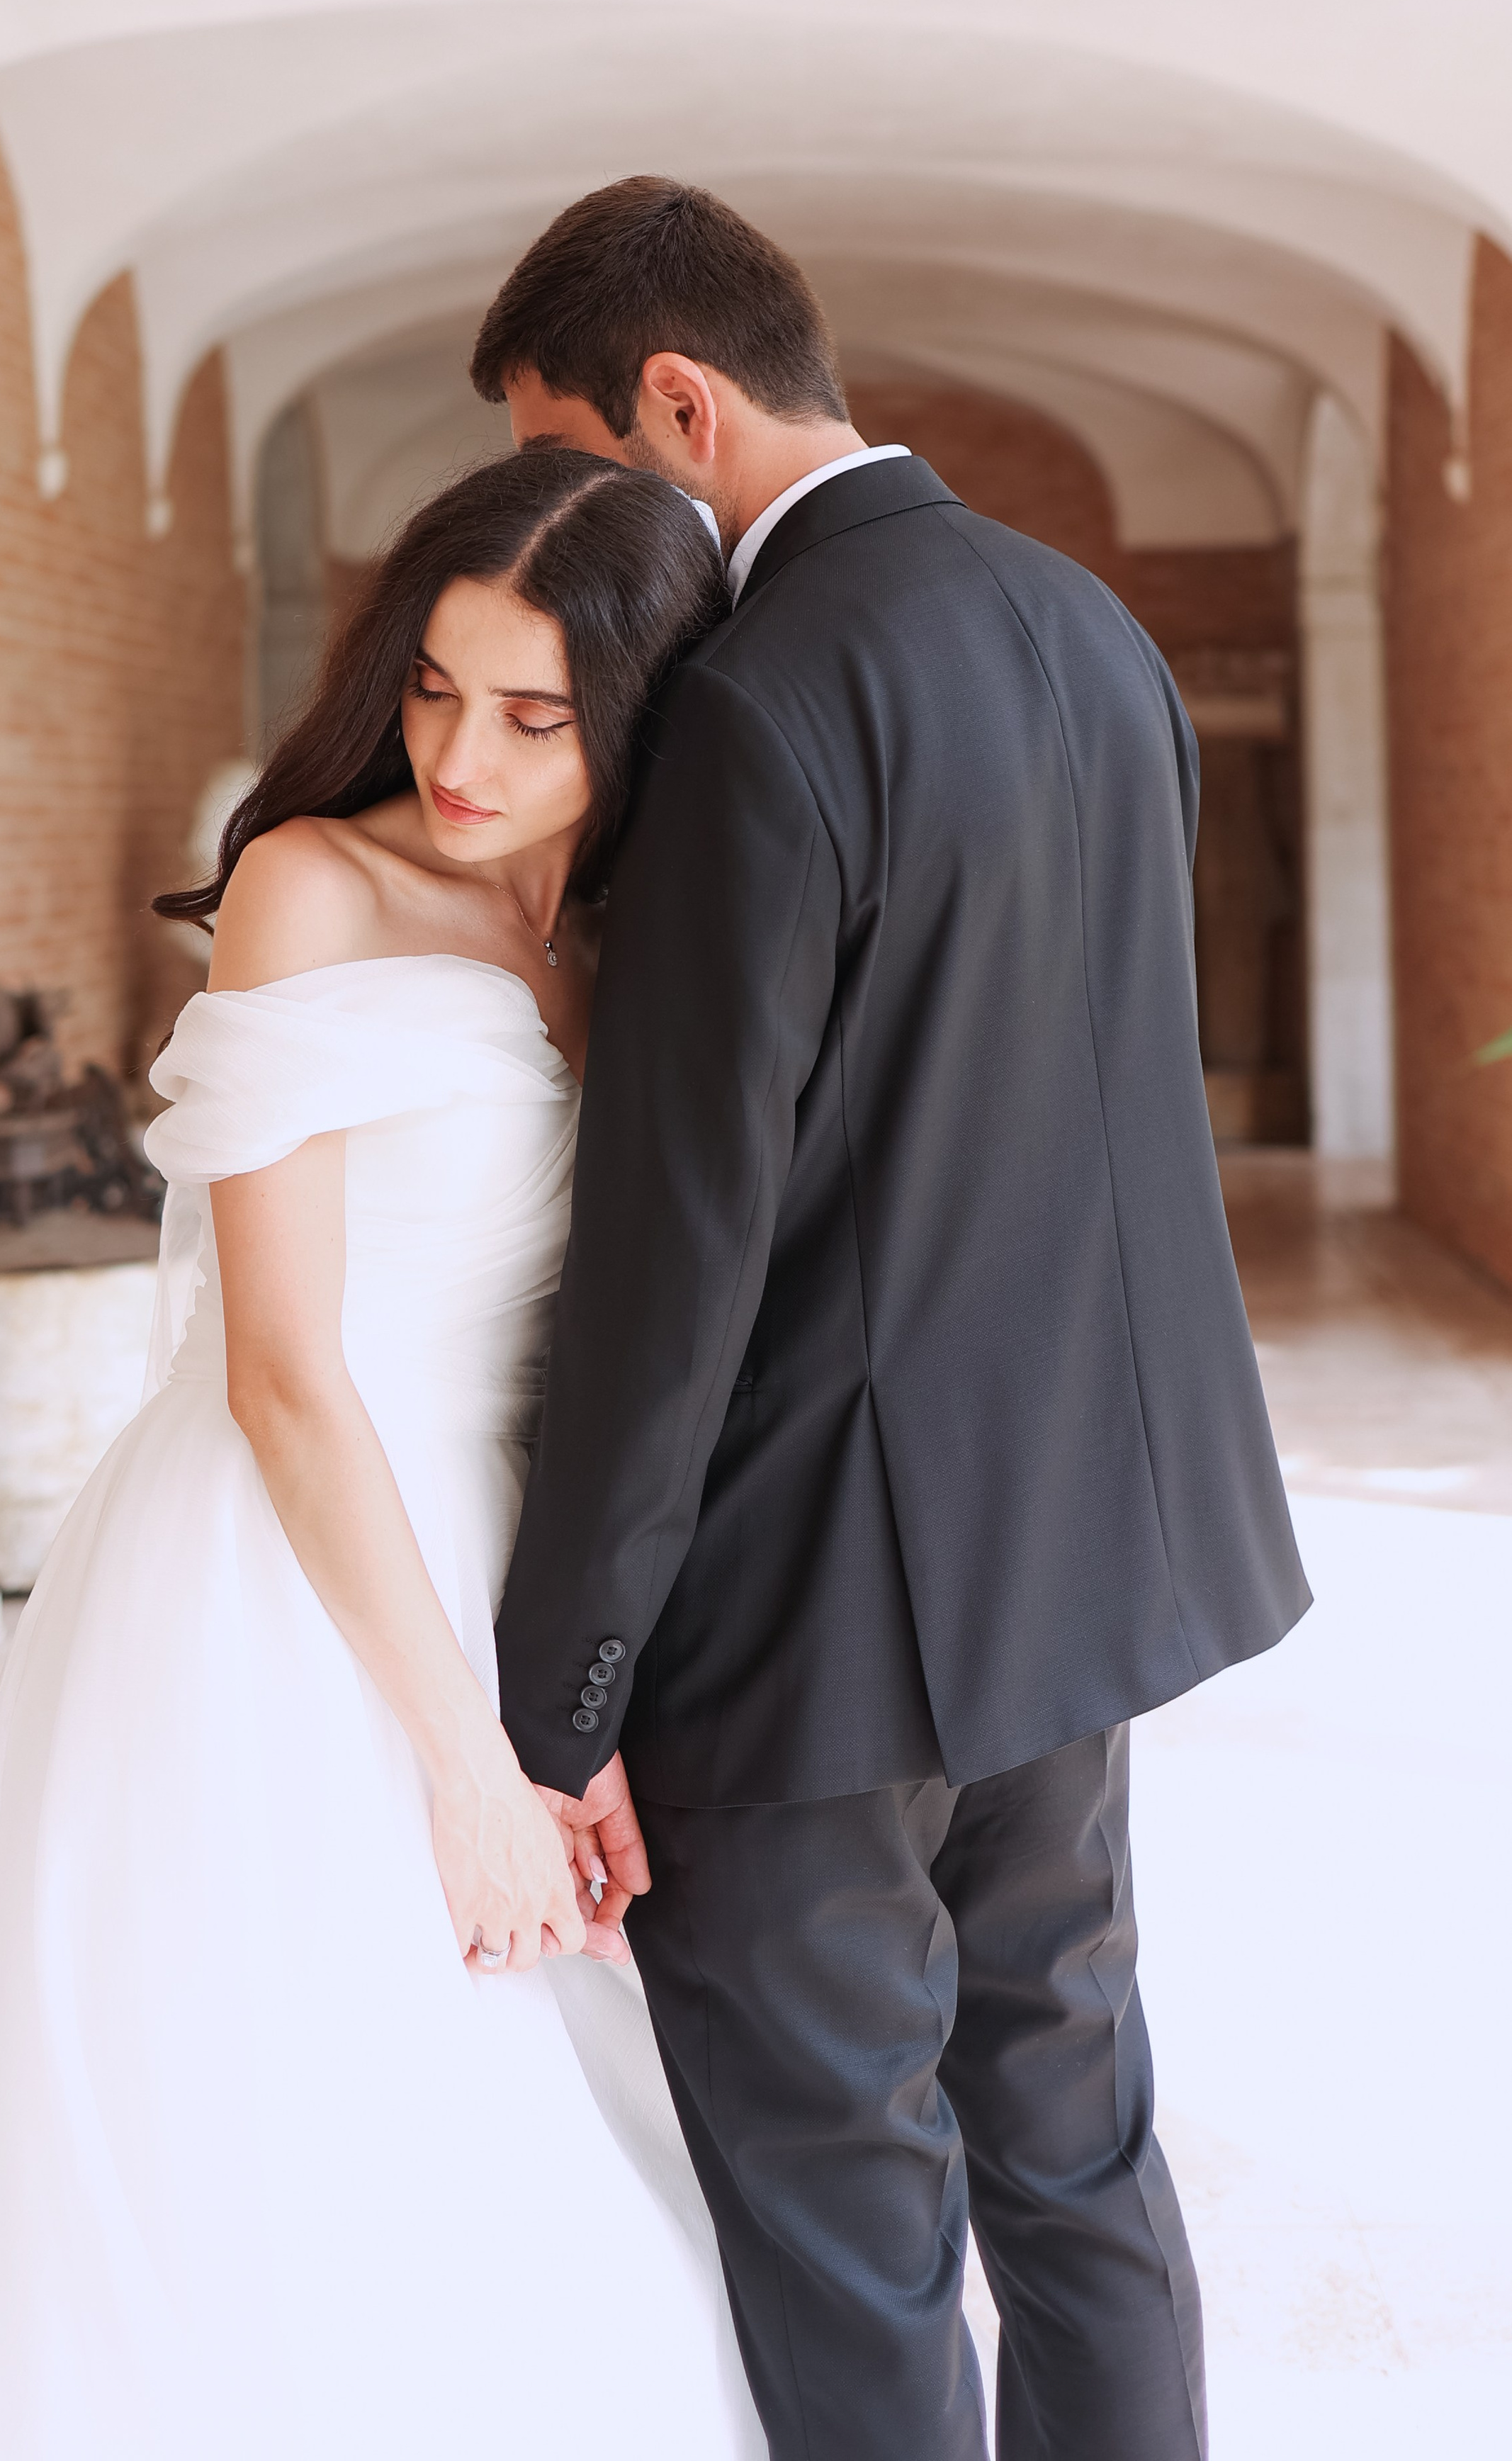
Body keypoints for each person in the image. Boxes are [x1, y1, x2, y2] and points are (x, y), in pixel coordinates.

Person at [0, 449, 763, 2461]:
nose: (460, 753)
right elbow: (282, 1370)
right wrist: (469, 1769)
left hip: (499, 1538)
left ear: (630, 711)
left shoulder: (631, 933)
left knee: (503, 2109)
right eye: (435, 687)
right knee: (244, 2079)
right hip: (272, 1553)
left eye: (533, 717)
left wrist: (581, 1693)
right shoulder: (311, 885)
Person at [475, 177, 1313, 2461]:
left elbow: (675, 1262)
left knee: (848, 2219)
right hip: (1079, 1560)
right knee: (1073, 2138)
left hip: (820, 1617)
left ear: (680, 400)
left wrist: (553, 1706)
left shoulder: (758, 700)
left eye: (573, 456)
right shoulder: (1088, 626)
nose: (563, 518)